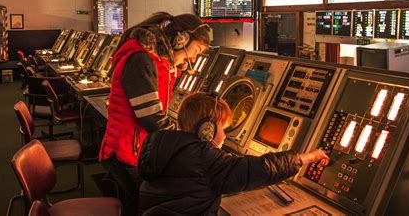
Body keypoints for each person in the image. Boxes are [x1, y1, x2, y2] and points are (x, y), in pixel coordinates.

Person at [138, 92, 330, 215]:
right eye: (224, 128)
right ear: (207, 130)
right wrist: (305, 158)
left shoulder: (164, 145)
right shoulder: (203, 157)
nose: (225, 135)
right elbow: (253, 170)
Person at [99, 12, 212, 215]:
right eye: (195, 51)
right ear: (180, 40)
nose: (194, 58)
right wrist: (188, 142)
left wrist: (178, 68)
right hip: (128, 152)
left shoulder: (156, 59)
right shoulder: (141, 59)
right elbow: (152, 118)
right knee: (148, 207)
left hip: (135, 148)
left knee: (137, 206)